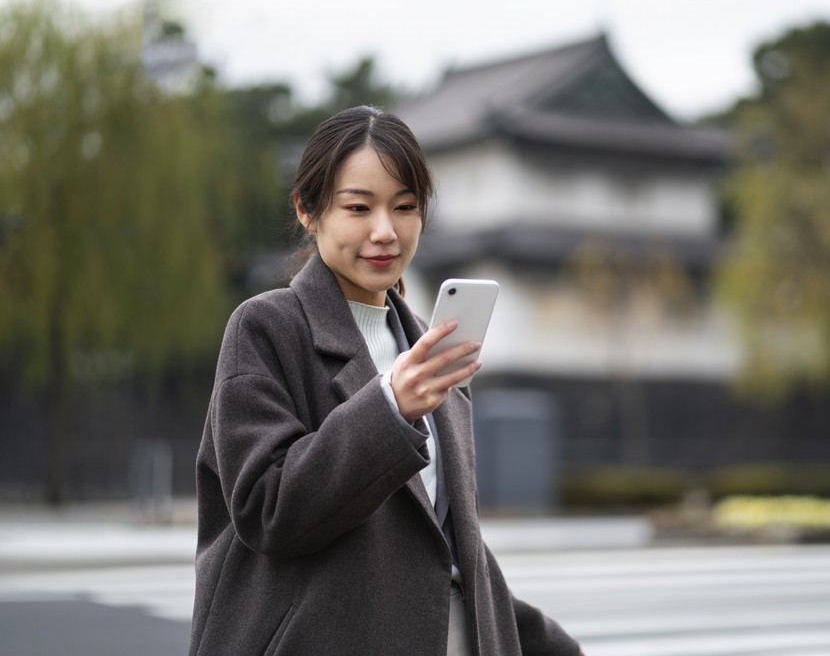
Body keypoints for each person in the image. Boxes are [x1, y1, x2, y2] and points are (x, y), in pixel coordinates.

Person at [188, 105, 583, 655]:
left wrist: (551, 646)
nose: (384, 232)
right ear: (308, 209)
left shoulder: (427, 347)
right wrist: (389, 407)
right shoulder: (267, 328)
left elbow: (448, 545)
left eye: (405, 208)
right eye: (358, 207)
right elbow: (268, 510)